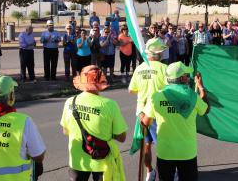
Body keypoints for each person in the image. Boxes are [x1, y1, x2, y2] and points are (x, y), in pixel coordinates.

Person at [141, 62, 209, 181]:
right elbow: (206, 109)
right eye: (187, 75)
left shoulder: (157, 96)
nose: (188, 78)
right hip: (187, 152)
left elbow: (145, 122)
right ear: (182, 78)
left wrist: (142, 113)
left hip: (165, 152)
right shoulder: (192, 96)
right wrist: (201, 87)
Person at [61, 65, 127, 181]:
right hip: (103, 161)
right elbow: (122, 137)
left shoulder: (70, 102)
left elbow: (65, 131)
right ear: (100, 81)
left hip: (77, 161)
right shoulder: (109, 105)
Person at [128, 38, 169, 181]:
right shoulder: (165, 69)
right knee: (164, 147)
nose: (163, 53)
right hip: (159, 113)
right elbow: (170, 91)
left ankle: (149, 171)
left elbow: (131, 90)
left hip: (142, 113)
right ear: (158, 53)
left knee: (147, 145)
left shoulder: (139, 68)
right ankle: (168, 173)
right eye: (162, 51)